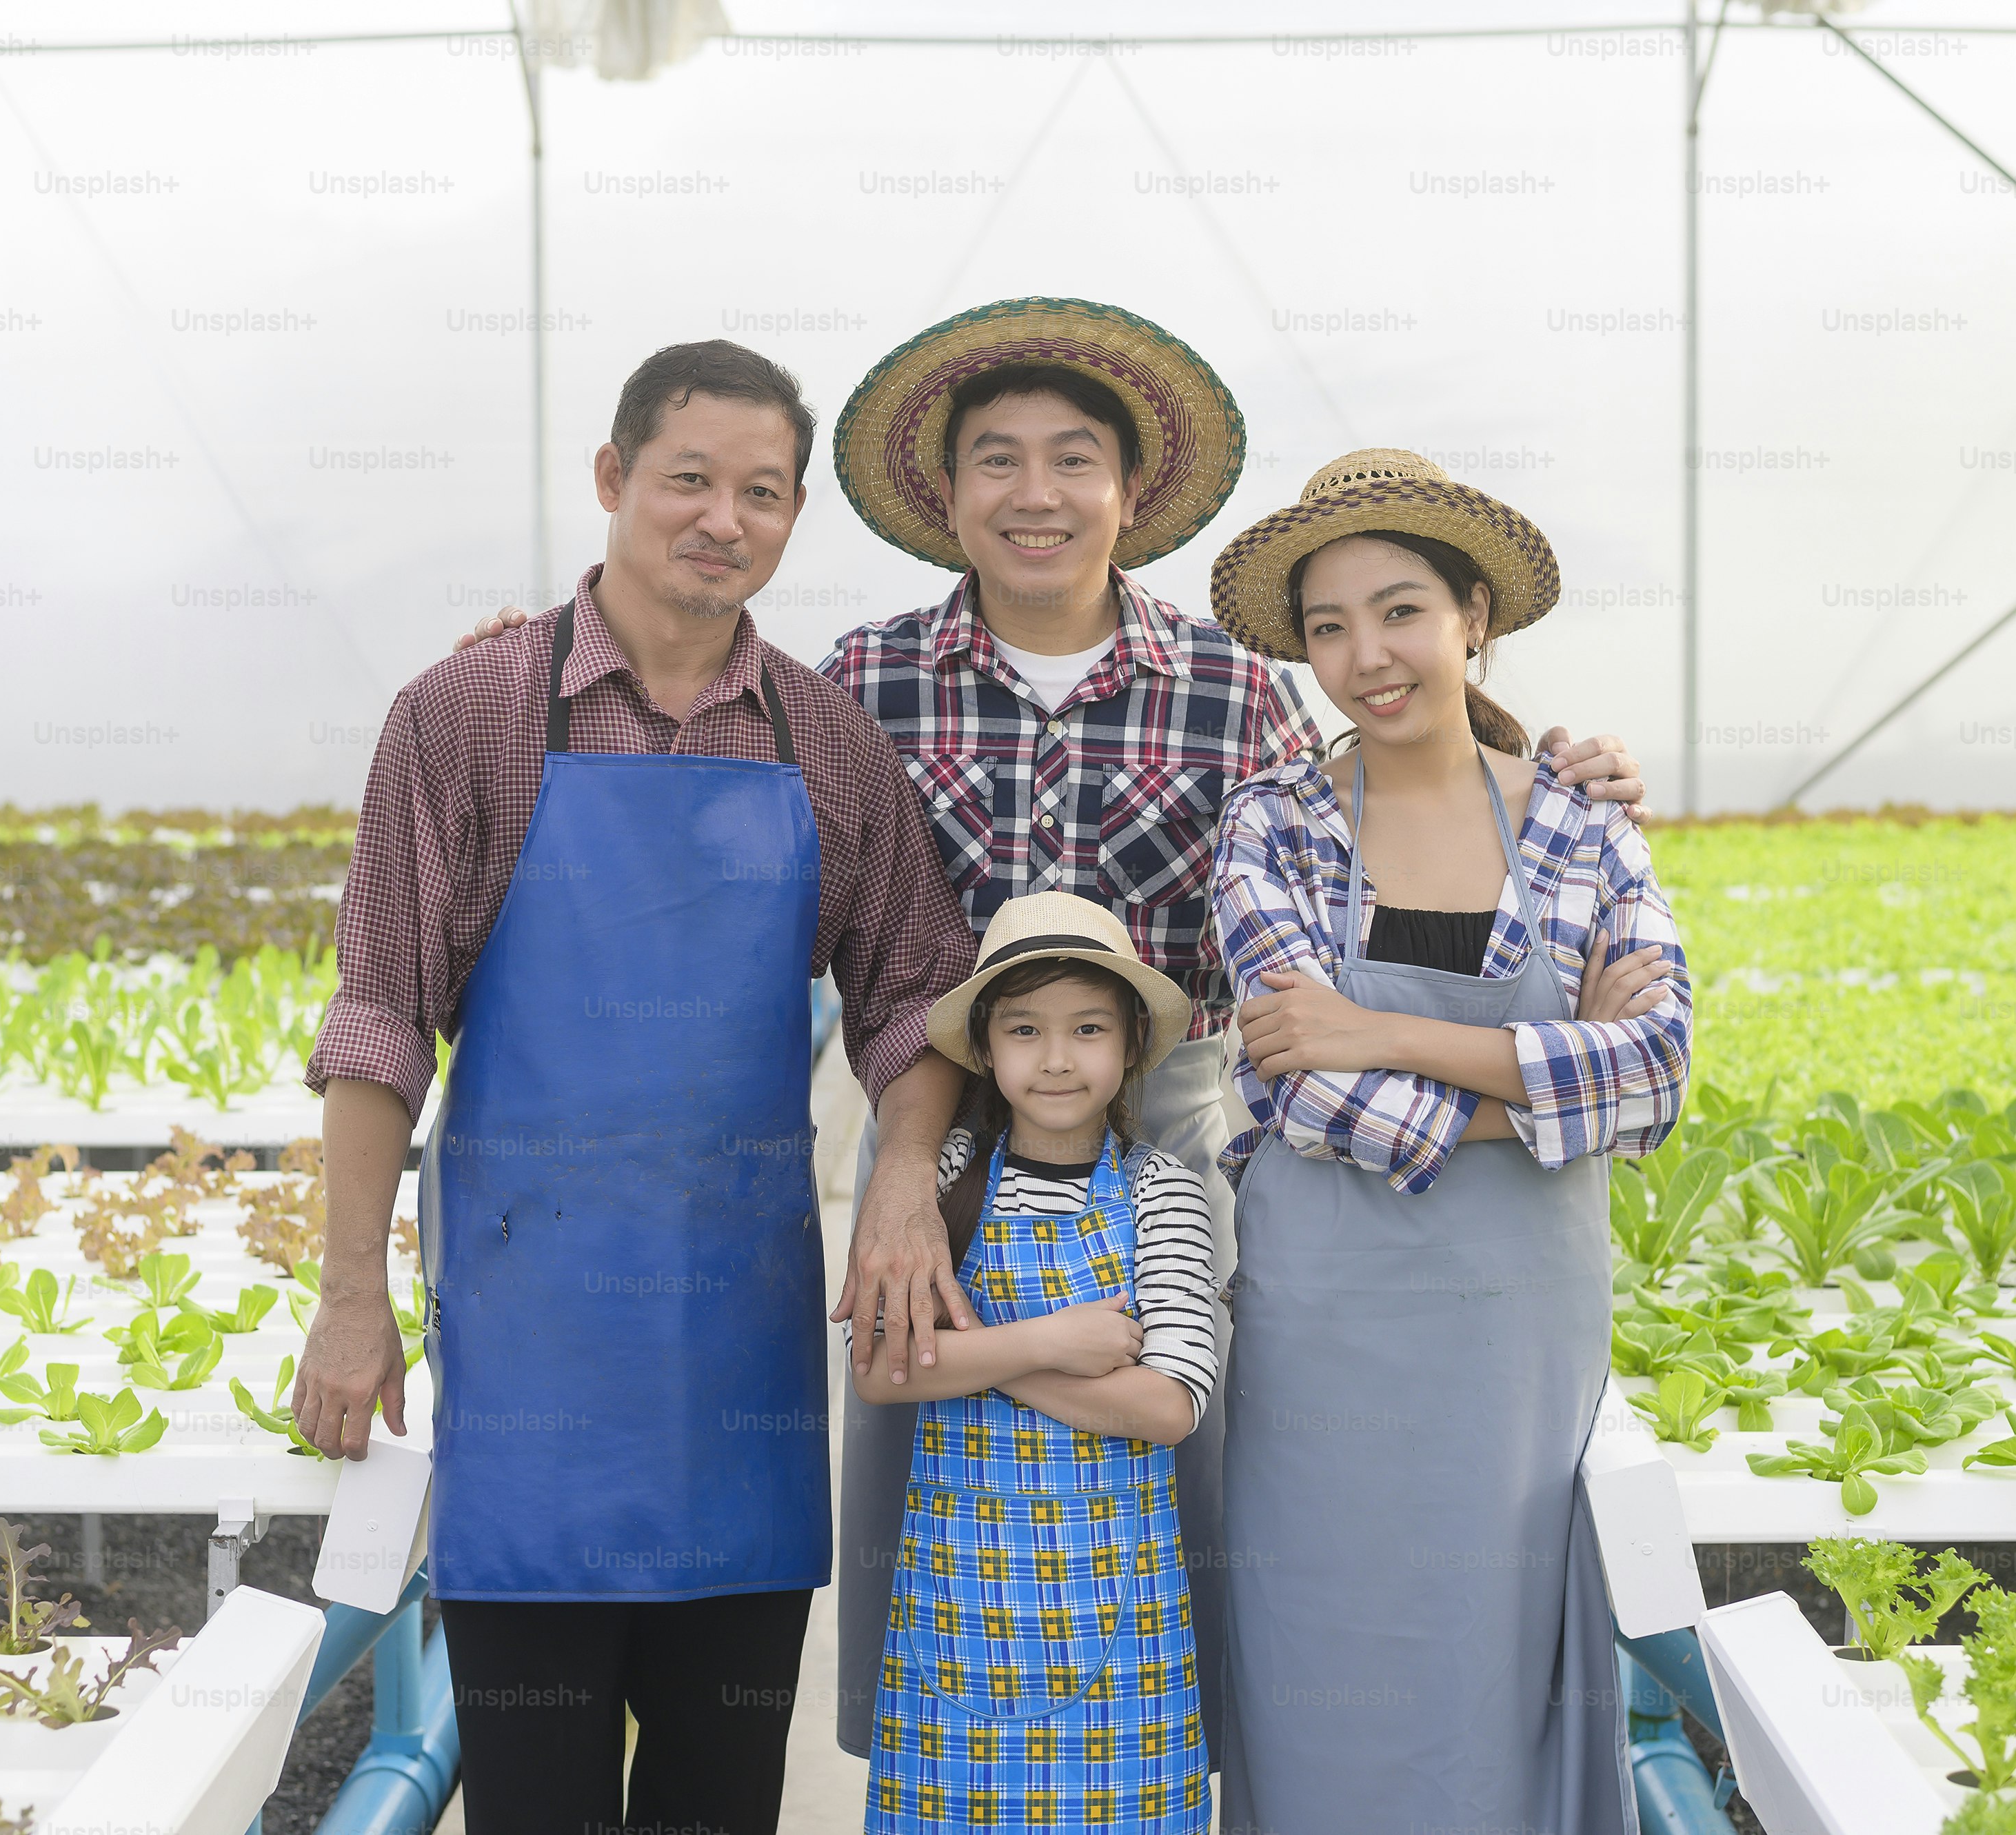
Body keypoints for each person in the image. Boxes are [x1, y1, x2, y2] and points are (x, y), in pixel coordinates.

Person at [449, 299, 1653, 1763]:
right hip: (939, 1138)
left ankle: (1150, 1766)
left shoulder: (1231, 688)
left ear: (1128, 493)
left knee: (1166, 1479)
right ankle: (950, 1765)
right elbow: (702, 752)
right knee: (939, 1498)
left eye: (1072, 459)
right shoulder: (860, 681)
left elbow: (1387, 804)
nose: (1035, 494)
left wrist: (1549, 755)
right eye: (995, 461)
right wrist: (532, 655)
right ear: (942, 496)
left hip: (1174, 1135)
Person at [290, 339, 976, 1835]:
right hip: (534, 1359)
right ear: (611, 481)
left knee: (718, 1799)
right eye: (687, 480)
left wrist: (905, 1171)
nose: (720, 518)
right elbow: (382, 1016)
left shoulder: (826, 742)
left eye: (760, 493)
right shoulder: (465, 714)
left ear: (792, 520)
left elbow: (918, 993)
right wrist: (352, 1293)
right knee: (534, 1800)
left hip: (738, 1362)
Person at [1204, 448, 1692, 1834]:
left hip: (1517, 1343)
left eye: (1399, 609)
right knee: (1323, 1661)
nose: (1364, 655)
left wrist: (1391, 1031)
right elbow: (1304, 1094)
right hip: (1327, 1342)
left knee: (1506, 1670)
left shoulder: (1579, 824)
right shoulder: (1276, 824)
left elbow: (1653, 1076)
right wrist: (1543, 1093)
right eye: (1325, 626)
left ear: (1474, 613)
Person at [852, 891, 1218, 1834]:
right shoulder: (942, 1189)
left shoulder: (1166, 1194)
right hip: (957, 1622)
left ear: (1132, 1042)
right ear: (985, 1046)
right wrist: (1051, 1342)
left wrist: (963, 1356)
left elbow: (1170, 1403)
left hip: (1121, 1631)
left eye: (1087, 1028)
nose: (1057, 1058)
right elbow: (874, 1370)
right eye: (1026, 1029)